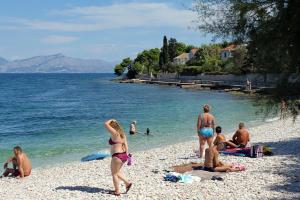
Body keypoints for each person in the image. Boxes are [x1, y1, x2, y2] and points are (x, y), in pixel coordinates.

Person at [104, 119, 132, 196]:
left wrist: (112, 120)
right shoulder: (122, 134)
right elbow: (126, 145)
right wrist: (127, 155)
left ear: (112, 127)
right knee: (117, 172)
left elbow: (106, 124)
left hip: (117, 156)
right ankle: (127, 183)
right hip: (123, 155)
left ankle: (117, 191)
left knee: (114, 174)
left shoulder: (115, 133)